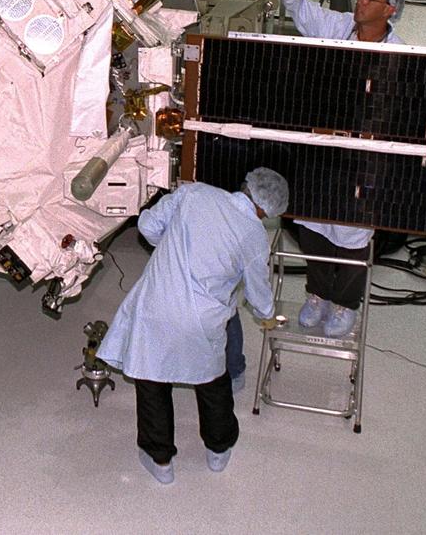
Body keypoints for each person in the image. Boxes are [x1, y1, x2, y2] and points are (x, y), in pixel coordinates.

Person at [97, 169, 288, 483]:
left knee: (152, 380)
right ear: (267, 211)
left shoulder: (195, 193)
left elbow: (146, 225)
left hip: (157, 306)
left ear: (245, 185)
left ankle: (160, 462)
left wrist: (172, 250)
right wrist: (268, 314)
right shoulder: (255, 236)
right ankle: (218, 450)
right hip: (203, 321)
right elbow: (258, 294)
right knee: (212, 383)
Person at [280, 0, 404, 337]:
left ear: (389, 11)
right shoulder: (337, 27)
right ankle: (317, 293)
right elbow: (299, 9)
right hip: (322, 148)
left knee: (352, 231)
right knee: (315, 222)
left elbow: (400, 113)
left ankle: (345, 302)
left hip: (363, 155)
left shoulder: (399, 55)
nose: (360, 2)